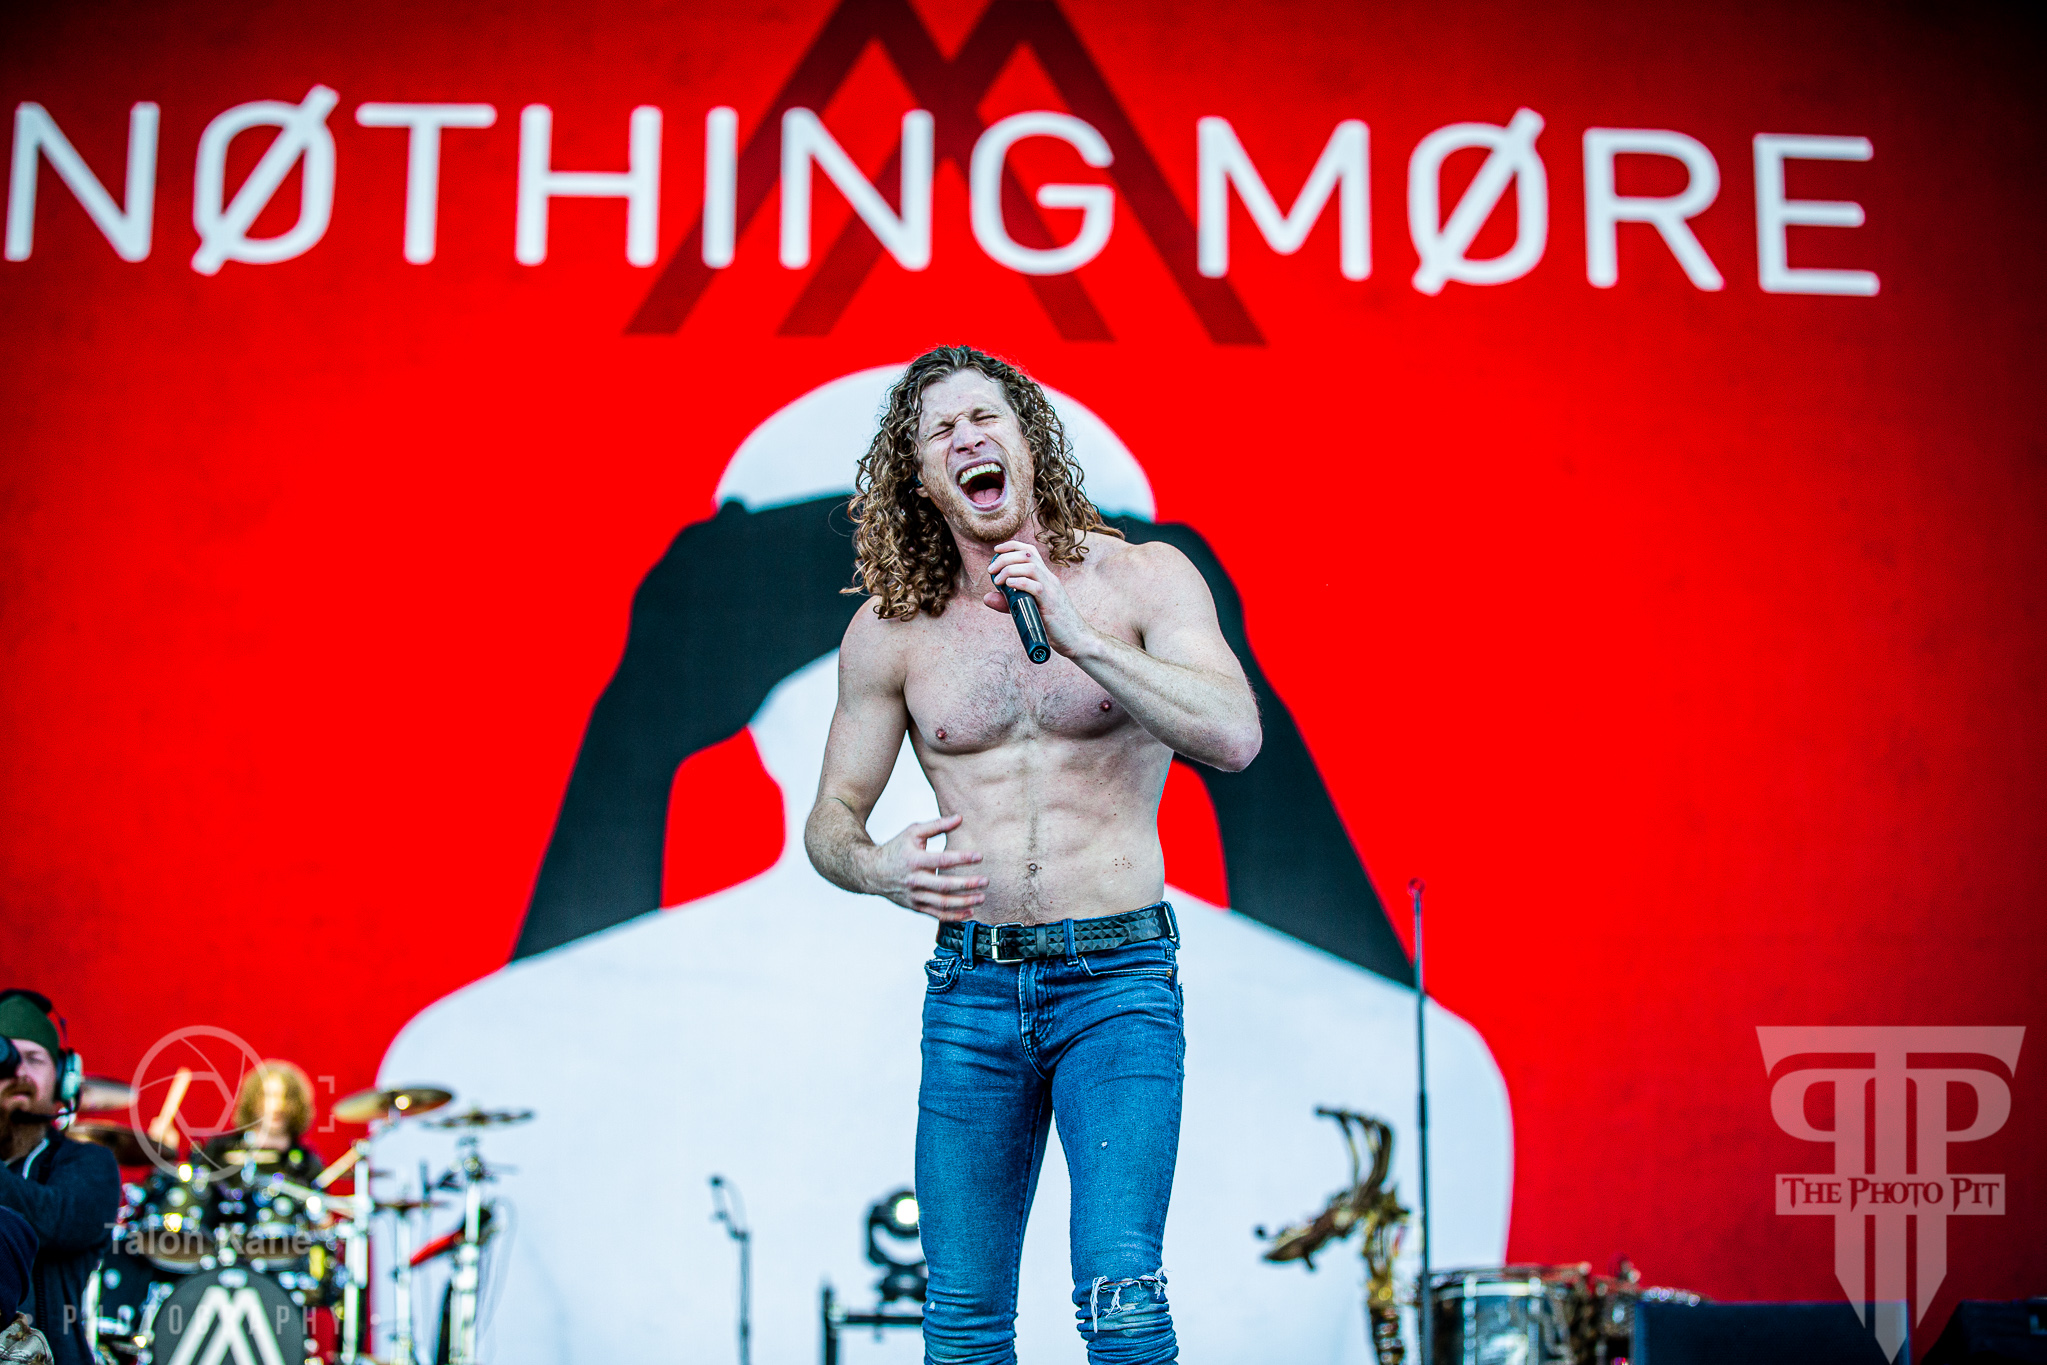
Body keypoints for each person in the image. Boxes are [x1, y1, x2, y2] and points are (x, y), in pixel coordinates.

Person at [803, 346, 1262, 1363]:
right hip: (972, 987)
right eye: (940, 431)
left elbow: (1234, 736)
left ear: (1027, 439)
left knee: (1122, 1299)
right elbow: (830, 818)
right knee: (963, 1320)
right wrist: (876, 867)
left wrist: (1081, 635)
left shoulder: (1143, 577)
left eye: (986, 417)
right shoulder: (891, 631)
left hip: (1117, 979)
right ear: (922, 479)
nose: (967, 437)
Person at [0, 992, 118, 1365]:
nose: (19, 1071)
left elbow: (54, 1220)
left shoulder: (90, 1162)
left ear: (64, 1078)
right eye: (5, 1057)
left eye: (34, 1058)